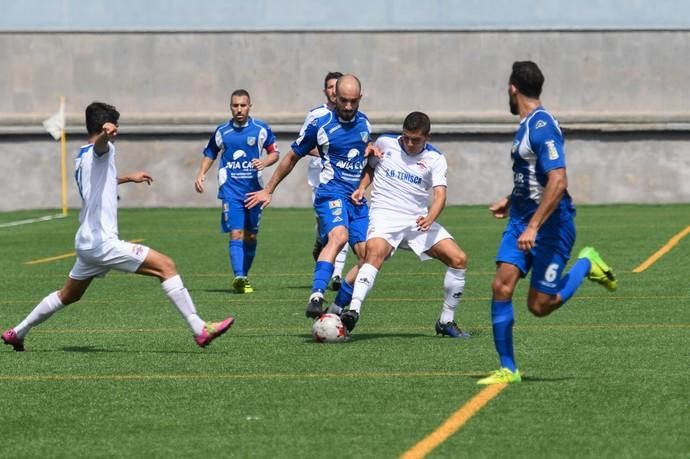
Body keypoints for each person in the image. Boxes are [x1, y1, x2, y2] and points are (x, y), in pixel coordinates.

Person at [2, 102, 233, 352]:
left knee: (68, 295)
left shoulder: (81, 156)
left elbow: (100, 178)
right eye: (116, 126)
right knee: (166, 266)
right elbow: (101, 147)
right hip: (103, 243)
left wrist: (127, 177)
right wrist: (105, 135)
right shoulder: (103, 148)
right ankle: (200, 328)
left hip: (87, 243)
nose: (117, 131)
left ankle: (18, 332)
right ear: (105, 127)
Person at [477, 61, 617, 385]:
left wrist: (534, 227)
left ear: (513, 88)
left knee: (540, 306)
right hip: (521, 221)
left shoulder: (542, 127)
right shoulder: (526, 125)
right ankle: (508, 369)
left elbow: (558, 181)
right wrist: (511, 200)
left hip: (552, 227)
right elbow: (533, 177)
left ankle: (587, 263)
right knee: (501, 285)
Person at [246, 74, 375, 319]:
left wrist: (364, 182)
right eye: (344, 100)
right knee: (339, 236)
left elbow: (368, 159)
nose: (348, 107)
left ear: (361, 97)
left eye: (353, 102)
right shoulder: (321, 125)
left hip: (355, 199)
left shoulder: (365, 124)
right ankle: (316, 296)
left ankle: (337, 308)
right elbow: (292, 157)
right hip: (330, 192)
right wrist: (269, 189)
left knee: (368, 257)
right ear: (335, 96)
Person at [346, 112, 470, 336]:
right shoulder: (385, 143)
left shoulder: (435, 159)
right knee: (374, 252)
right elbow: (371, 168)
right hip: (384, 214)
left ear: (427, 137)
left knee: (459, 259)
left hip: (417, 220)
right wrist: (361, 187)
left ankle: (446, 321)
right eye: (406, 138)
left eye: (416, 140)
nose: (410, 144)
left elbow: (440, 196)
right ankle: (353, 311)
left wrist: (430, 217)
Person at [195, 89, 280, 294]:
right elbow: (210, 153)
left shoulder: (261, 129)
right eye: (235, 105)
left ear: (250, 106)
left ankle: (244, 276)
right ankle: (239, 276)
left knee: (251, 236)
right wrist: (201, 173)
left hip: (254, 192)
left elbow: (275, 153)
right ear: (230, 107)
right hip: (230, 191)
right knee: (236, 232)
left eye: (243, 105)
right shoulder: (222, 131)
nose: (239, 109)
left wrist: (264, 162)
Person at [304, 71, 349, 291]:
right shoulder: (316, 115)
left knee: (342, 223)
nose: (333, 91)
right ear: (326, 91)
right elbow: (304, 145)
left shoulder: (352, 116)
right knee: (324, 225)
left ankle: (337, 274)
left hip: (343, 180)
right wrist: (326, 153)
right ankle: (320, 243)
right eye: (330, 87)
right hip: (320, 179)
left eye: (336, 87)